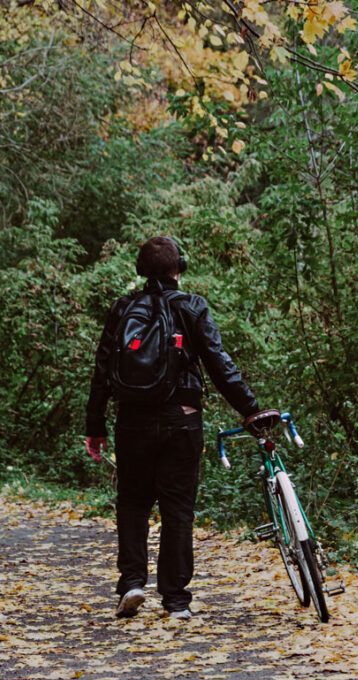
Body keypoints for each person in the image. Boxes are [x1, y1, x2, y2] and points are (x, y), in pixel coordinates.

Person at [85, 235, 262, 620]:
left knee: (132, 503)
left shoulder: (122, 310)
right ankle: (176, 601)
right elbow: (219, 365)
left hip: (131, 422)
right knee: (178, 510)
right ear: (178, 268)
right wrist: (250, 410)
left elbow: (102, 371)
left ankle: (132, 583)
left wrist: (95, 426)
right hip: (182, 420)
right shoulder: (192, 307)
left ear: (140, 271)